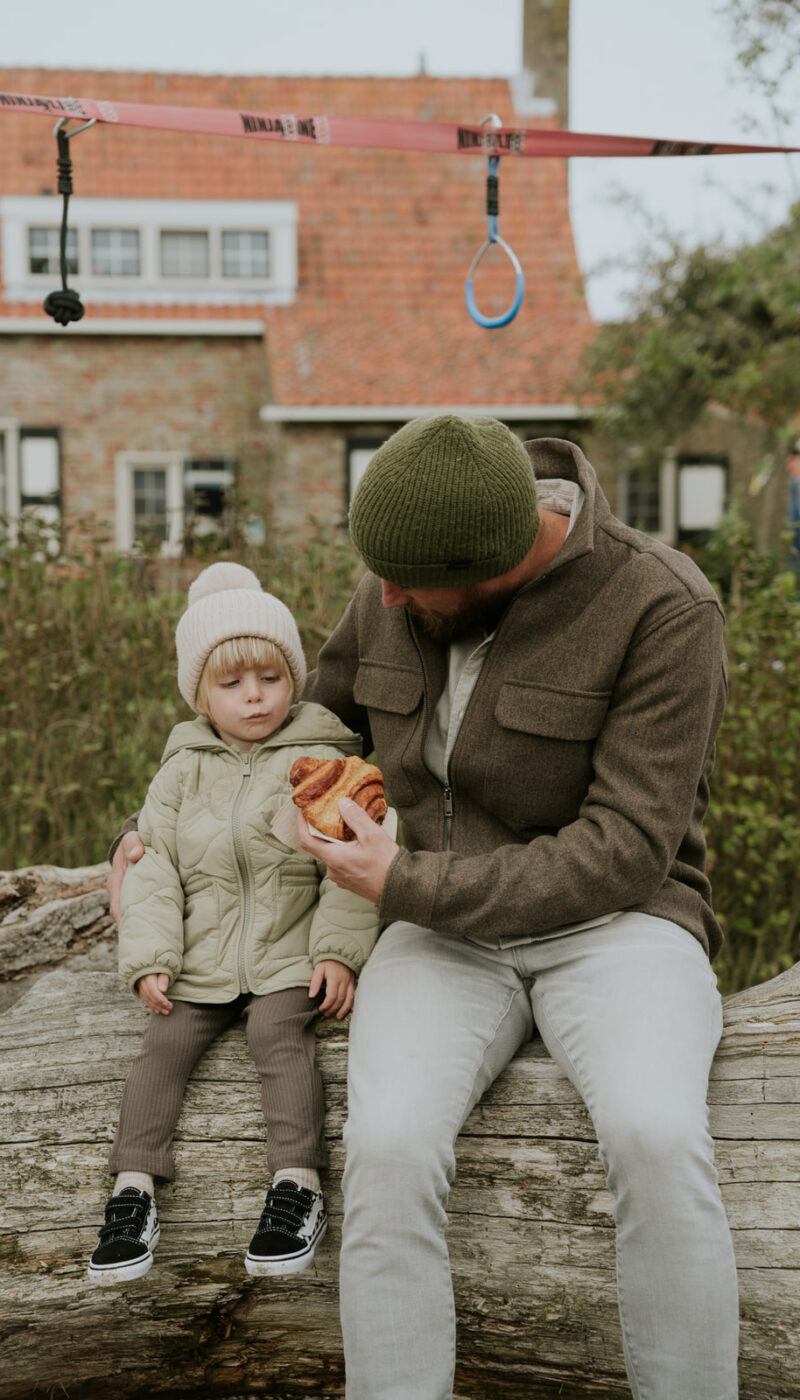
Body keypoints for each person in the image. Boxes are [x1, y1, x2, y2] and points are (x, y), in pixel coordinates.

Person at [109, 416, 739, 1399]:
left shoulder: (661, 606)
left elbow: (623, 847)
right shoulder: (399, 574)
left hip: (620, 924)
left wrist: (400, 883)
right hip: (433, 937)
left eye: (404, 584)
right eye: (379, 578)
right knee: (388, 1145)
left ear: (496, 563)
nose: (383, 597)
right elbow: (297, 738)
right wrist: (162, 833)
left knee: (656, 1134)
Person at [91, 562, 379, 1287]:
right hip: (201, 958)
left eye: (270, 679)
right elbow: (155, 870)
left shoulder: (320, 759)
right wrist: (151, 956)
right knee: (161, 1050)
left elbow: (349, 863)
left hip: (288, 955)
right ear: (199, 695)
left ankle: (297, 1184)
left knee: (276, 1036)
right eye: (231, 685)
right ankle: (132, 1192)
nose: (254, 697)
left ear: (294, 679)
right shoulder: (181, 771)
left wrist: (339, 953)